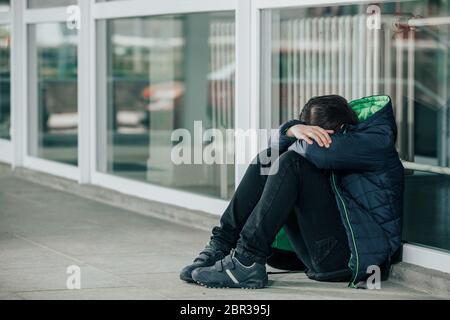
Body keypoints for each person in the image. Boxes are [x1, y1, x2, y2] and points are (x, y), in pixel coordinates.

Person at [180, 95, 404, 289]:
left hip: (351, 259)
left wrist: (292, 133)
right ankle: (221, 245)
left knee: (290, 162)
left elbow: (320, 153)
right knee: (268, 159)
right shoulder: (340, 141)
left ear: (335, 132)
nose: (307, 139)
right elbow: (276, 148)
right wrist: (291, 130)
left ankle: (247, 259)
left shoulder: (374, 140)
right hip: (317, 251)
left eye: (312, 135)